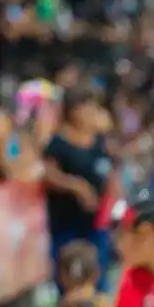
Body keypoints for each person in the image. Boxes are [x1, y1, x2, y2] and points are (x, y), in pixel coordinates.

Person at [43, 88, 113, 285]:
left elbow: (107, 168)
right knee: (70, 276)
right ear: (74, 110)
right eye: (88, 107)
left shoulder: (98, 140)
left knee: (98, 276)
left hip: (96, 222)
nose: (93, 112)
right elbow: (49, 176)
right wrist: (76, 186)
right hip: (67, 223)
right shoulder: (58, 144)